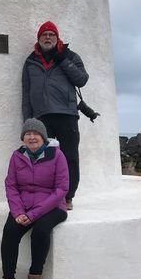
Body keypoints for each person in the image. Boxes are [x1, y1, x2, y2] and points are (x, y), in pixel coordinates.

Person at [0, 118, 68, 279]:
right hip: (23, 206)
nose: (31, 137)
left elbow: (61, 189)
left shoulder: (57, 155)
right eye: (27, 134)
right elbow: (11, 185)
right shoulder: (17, 156)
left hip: (52, 206)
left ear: (43, 137)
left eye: (35, 133)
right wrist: (17, 212)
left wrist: (33, 214)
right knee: (10, 232)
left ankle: (35, 278)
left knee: (41, 230)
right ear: (23, 138)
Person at [22, 20, 88, 210]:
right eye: (44, 35)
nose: (48, 37)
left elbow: (82, 80)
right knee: (44, 158)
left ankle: (68, 197)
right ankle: (48, 196)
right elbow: (26, 92)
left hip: (66, 114)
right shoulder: (30, 61)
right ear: (39, 39)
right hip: (41, 117)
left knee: (70, 158)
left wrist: (62, 60)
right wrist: (29, 120)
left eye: (52, 34)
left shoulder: (70, 56)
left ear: (57, 38)